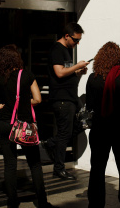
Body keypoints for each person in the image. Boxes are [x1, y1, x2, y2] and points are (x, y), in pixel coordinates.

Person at [0, 45, 57, 208]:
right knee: (34, 164)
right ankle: (42, 201)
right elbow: (38, 99)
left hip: (4, 124)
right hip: (23, 125)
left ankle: (12, 202)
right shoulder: (27, 75)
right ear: (17, 58)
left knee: (10, 164)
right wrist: (24, 103)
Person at [86, 42, 120, 208]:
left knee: (97, 169)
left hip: (99, 127)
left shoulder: (93, 78)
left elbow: (89, 104)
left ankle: (95, 203)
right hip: (119, 128)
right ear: (119, 58)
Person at [43, 22, 89, 180]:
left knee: (80, 124)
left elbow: (67, 75)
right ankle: (59, 168)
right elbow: (60, 73)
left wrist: (79, 72)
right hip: (62, 99)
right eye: (75, 40)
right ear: (67, 36)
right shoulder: (57, 49)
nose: (77, 43)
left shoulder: (67, 50)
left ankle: (51, 143)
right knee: (64, 133)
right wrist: (77, 66)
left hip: (70, 97)